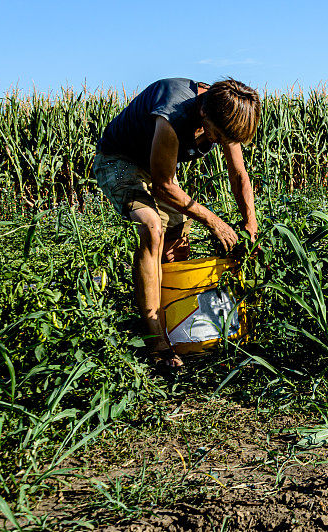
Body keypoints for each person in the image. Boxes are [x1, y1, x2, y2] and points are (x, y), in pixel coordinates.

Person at [93, 77, 260, 370]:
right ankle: (156, 342)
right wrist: (215, 222)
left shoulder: (226, 111)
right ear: (204, 114)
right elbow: (163, 185)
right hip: (120, 161)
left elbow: (239, 174)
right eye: (218, 136)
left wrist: (250, 224)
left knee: (177, 242)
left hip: (158, 164)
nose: (219, 142)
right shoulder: (174, 110)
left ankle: (175, 324)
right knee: (152, 228)